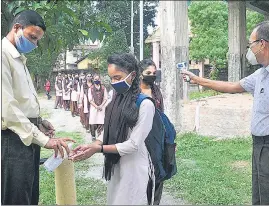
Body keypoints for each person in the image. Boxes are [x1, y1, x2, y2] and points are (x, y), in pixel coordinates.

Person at [181, 21, 269, 205]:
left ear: (262, 44)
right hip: (259, 145)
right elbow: (231, 86)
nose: (250, 50)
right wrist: (197, 79)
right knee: (260, 192)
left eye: (251, 44)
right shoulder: (260, 75)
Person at [2, 10, 74, 205]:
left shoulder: (18, 58)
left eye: (37, 40)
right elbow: (7, 109)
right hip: (13, 138)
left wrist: (39, 123)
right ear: (17, 28)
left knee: (29, 193)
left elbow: (22, 101)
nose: (34, 44)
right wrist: (44, 140)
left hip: (27, 134)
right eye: (32, 37)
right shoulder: (3, 55)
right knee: (16, 197)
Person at [69, 53, 155, 205]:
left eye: (118, 77)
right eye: (112, 78)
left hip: (134, 168)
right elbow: (108, 129)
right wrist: (93, 144)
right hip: (116, 165)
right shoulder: (116, 98)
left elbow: (133, 144)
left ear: (133, 75)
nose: (114, 82)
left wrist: (99, 149)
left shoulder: (145, 105)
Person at [139, 59, 164, 205]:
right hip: (139, 139)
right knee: (142, 174)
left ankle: (155, 202)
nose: (152, 76)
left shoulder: (156, 91)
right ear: (140, 74)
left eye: (154, 73)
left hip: (156, 138)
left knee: (158, 172)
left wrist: (167, 139)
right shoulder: (133, 93)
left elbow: (162, 115)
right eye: (148, 73)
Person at [88, 74, 108, 140]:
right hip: (94, 108)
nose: (97, 80)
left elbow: (105, 98)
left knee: (101, 122)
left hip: (102, 108)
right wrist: (96, 106)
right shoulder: (90, 89)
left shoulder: (103, 88)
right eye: (96, 79)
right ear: (93, 80)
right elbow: (90, 100)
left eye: (98, 79)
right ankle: (93, 136)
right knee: (93, 122)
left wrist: (101, 105)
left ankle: (100, 136)